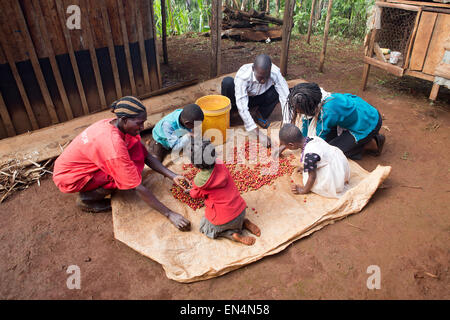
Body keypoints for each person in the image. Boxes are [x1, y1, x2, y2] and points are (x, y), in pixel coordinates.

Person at [53, 96, 191, 231]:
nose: (142, 127)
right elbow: (137, 187)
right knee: (120, 177)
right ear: (124, 120)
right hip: (70, 176)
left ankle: (97, 188)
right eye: (139, 123)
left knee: (136, 148)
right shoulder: (113, 146)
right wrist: (170, 214)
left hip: (85, 163)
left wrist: (173, 176)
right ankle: (87, 200)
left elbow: (146, 155)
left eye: (143, 122)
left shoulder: (117, 124)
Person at [281, 82, 385, 160]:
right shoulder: (316, 98)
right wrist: (290, 142)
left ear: (309, 106)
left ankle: (372, 143)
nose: (297, 111)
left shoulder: (326, 112)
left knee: (332, 153)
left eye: (298, 109)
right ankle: (359, 140)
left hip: (368, 123)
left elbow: (317, 140)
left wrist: (300, 144)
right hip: (359, 113)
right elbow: (306, 123)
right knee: (327, 143)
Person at [189, 140, 261, 245]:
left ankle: (231, 234)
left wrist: (191, 190)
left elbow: (195, 194)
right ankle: (244, 222)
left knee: (205, 227)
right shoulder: (220, 164)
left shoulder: (199, 180)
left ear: (197, 165)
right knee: (234, 216)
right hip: (240, 211)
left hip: (225, 221)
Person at [221, 54, 290, 148]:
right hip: (241, 98)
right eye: (260, 77)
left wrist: (286, 126)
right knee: (227, 82)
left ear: (270, 70)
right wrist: (259, 134)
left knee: (279, 91)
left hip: (259, 97)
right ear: (253, 69)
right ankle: (229, 113)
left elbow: (285, 97)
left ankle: (260, 114)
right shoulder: (243, 76)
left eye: (266, 77)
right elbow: (242, 107)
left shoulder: (275, 72)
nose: (263, 81)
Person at [279, 124, 350, 199]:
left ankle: (332, 184)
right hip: (340, 164)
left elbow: (312, 177)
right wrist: (305, 168)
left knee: (309, 179)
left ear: (291, 145)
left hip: (336, 176)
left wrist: (304, 190)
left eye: (286, 146)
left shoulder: (309, 155)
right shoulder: (312, 138)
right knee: (310, 170)